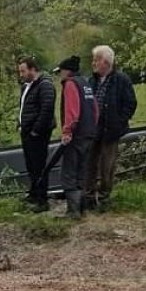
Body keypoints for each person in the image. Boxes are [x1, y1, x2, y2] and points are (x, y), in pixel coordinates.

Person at [85, 46, 137, 212]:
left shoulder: (121, 80)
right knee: (89, 163)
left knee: (107, 165)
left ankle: (105, 196)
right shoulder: (91, 80)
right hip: (93, 129)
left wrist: (120, 122)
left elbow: (130, 103)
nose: (93, 63)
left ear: (105, 62)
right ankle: (89, 197)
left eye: (96, 60)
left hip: (111, 129)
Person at [52, 56, 98, 219]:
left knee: (69, 173)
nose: (59, 77)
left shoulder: (71, 84)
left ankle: (73, 212)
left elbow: (72, 111)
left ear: (66, 71)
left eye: (60, 73)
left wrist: (67, 131)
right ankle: (82, 208)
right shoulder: (85, 83)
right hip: (89, 133)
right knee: (81, 172)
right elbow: (95, 109)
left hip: (76, 135)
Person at [16, 56, 55, 213]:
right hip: (26, 130)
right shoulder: (27, 86)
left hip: (37, 132)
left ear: (33, 69)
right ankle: (33, 193)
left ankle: (42, 199)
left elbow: (46, 109)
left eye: (23, 71)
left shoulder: (45, 85)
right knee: (31, 165)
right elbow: (24, 106)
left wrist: (36, 130)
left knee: (39, 165)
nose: (21, 74)